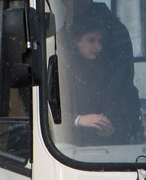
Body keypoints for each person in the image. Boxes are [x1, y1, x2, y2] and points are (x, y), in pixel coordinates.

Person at [59, 13, 140, 145]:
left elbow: (121, 113)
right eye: (91, 40)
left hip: (102, 151)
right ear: (76, 40)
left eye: (100, 41)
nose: (97, 47)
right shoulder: (61, 69)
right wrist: (78, 119)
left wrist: (110, 129)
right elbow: (47, 114)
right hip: (65, 151)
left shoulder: (108, 73)